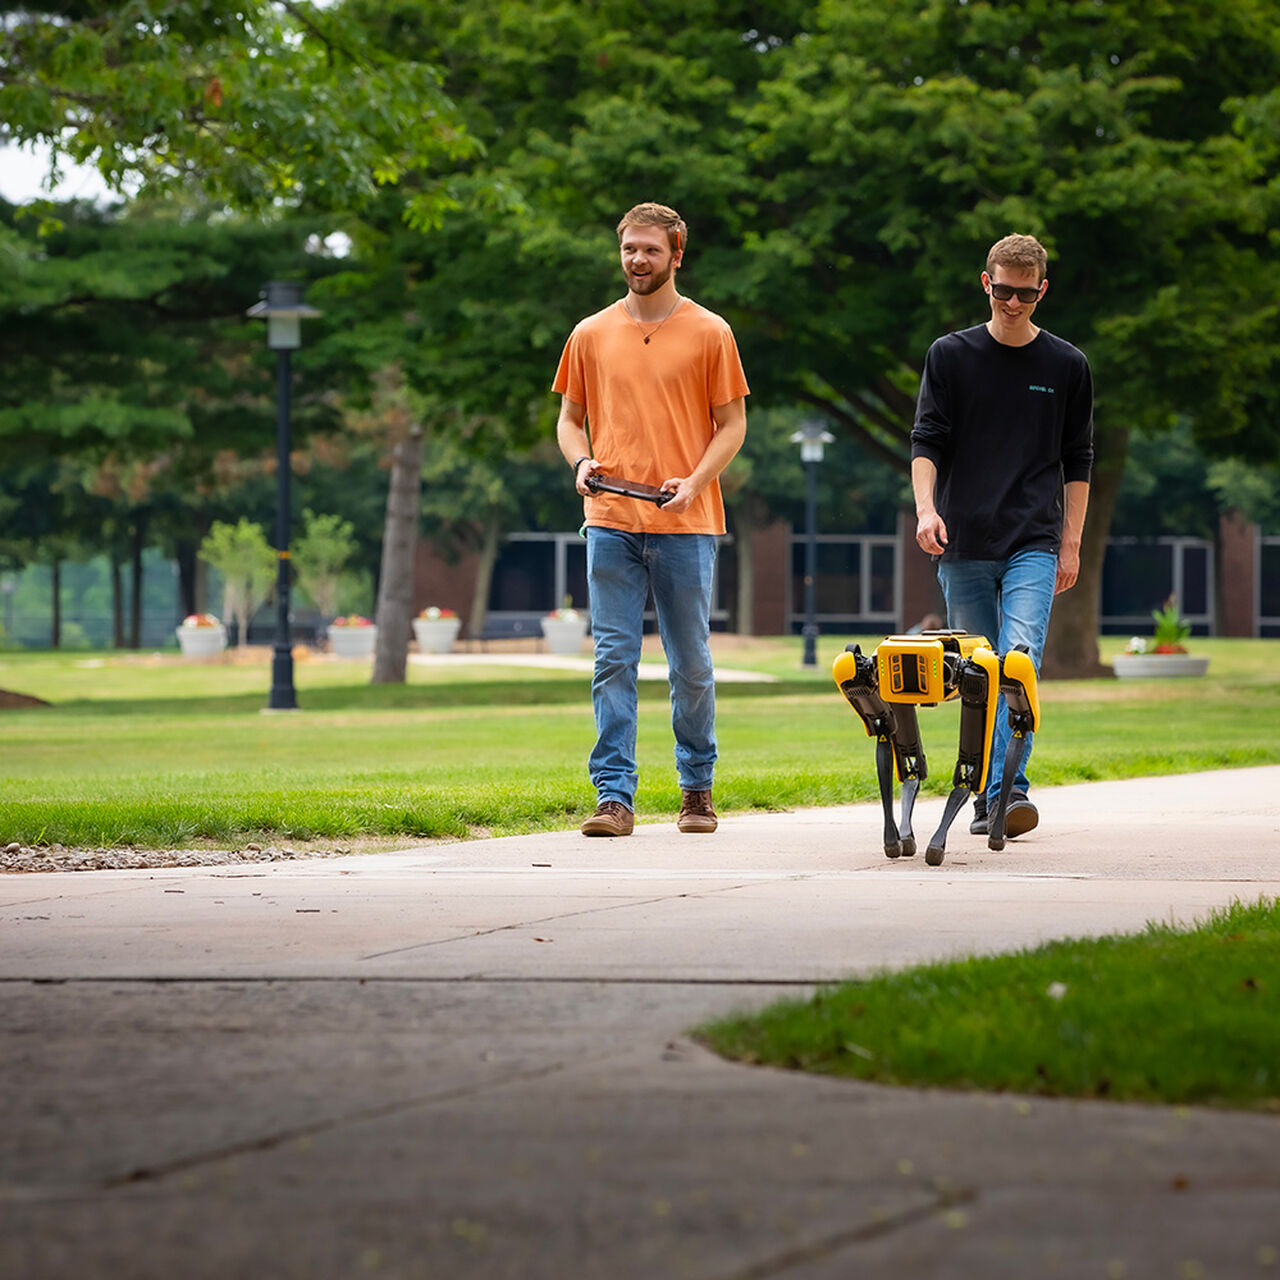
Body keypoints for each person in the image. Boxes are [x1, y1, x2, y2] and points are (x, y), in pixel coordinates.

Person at [553, 202, 749, 837]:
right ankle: (615, 797)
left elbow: (732, 425)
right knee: (612, 659)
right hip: (609, 515)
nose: (638, 260)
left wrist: (694, 483)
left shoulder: (711, 332)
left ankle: (696, 789)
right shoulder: (589, 333)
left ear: (677, 254)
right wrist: (579, 461)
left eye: (650, 250)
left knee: (689, 662)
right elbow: (569, 418)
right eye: (629, 250)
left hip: (686, 523)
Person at [910, 233, 1093, 838]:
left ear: (1042, 291)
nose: (1013, 304)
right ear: (985, 284)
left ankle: (1008, 788)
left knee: (1018, 662)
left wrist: (1070, 544)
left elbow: (1080, 460)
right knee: (979, 673)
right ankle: (985, 788)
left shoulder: (1067, 365)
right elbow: (927, 440)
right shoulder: (950, 355)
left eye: (1026, 294)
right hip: (962, 539)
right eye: (1003, 291)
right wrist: (925, 510)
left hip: (1033, 541)